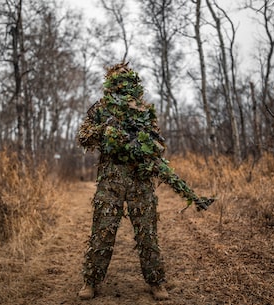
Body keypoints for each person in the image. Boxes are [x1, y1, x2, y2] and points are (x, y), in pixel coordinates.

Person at [77, 62, 214, 301]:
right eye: (119, 81)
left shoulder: (143, 111)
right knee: (102, 233)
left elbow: (157, 144)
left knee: (147, 234)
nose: (124, 86)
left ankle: (156, 282)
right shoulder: (100, 108)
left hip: (141, 180)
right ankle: (91, 281)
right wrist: (105, 130)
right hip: (111, 180)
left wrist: (145, 150)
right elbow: (83, 137)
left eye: (127, 81)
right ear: (111, 83)